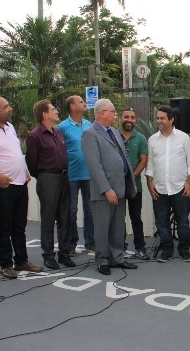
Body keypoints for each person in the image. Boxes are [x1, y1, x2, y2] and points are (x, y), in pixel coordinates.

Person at [0, 96, 43, 279]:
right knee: (5, 227)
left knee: (19, 225)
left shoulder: (10, 128)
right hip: (3, 186)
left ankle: (21, 260)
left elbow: (14, 154)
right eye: (6, 107)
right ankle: (6, 264)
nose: (10, 109)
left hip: (20, 183)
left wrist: (24, 170)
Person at [81, 99, 138, 275]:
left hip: (120, 188)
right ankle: (103, 260)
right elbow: (94, 165)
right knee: (102, 226)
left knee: (117, 227)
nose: (115, 115)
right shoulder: (90, 134)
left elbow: (123, 156)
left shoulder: (113, 131)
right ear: (101, 113)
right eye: (112, 111)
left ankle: (117, 258)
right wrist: (107, 189)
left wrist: (129, 180)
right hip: (104, 192)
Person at [25, 99, 76, 270]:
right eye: (53, 109)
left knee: (65, 217)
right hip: (48, 179)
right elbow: (31, 162)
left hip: (64, 177)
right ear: (44, 114)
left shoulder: (58, 132)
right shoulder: (35, 136)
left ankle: (64, 253)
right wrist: (43, 176)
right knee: (48, 219)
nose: (57, 111)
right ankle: (48, 255)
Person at [146, 106, 190, 263]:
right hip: (159, 188)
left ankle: (184, 251)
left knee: (183, 221)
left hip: (179, 187)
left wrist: (189, 183)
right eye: (158, 118)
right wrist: (150, 184)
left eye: (162, 118)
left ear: (171, 119)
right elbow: (150, 165)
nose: (159, 121)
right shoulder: (152, 140)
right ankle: (167, 251)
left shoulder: (183, 138)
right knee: (161, 222)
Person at [57, 95, 95, 255]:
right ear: (72, 106)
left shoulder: (89, 124)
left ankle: (90, 241)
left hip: (89, 174)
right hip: (71, 175)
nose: (84, 103)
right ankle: (72, 242)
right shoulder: (62, 127)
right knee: (71, 210)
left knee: (90, 209)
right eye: (81, 102)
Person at [119, 107, 149, 260]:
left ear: (135, 121)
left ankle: (140, 246)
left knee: (136, 217)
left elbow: (144, 160)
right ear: (121, 118)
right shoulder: (113, 136)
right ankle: (119, 247)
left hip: (135, 186)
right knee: (118, 217)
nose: (129, 120)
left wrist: (132, 176)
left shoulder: (141, 138)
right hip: (117, 185)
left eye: (132, 117)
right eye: (126, 117)